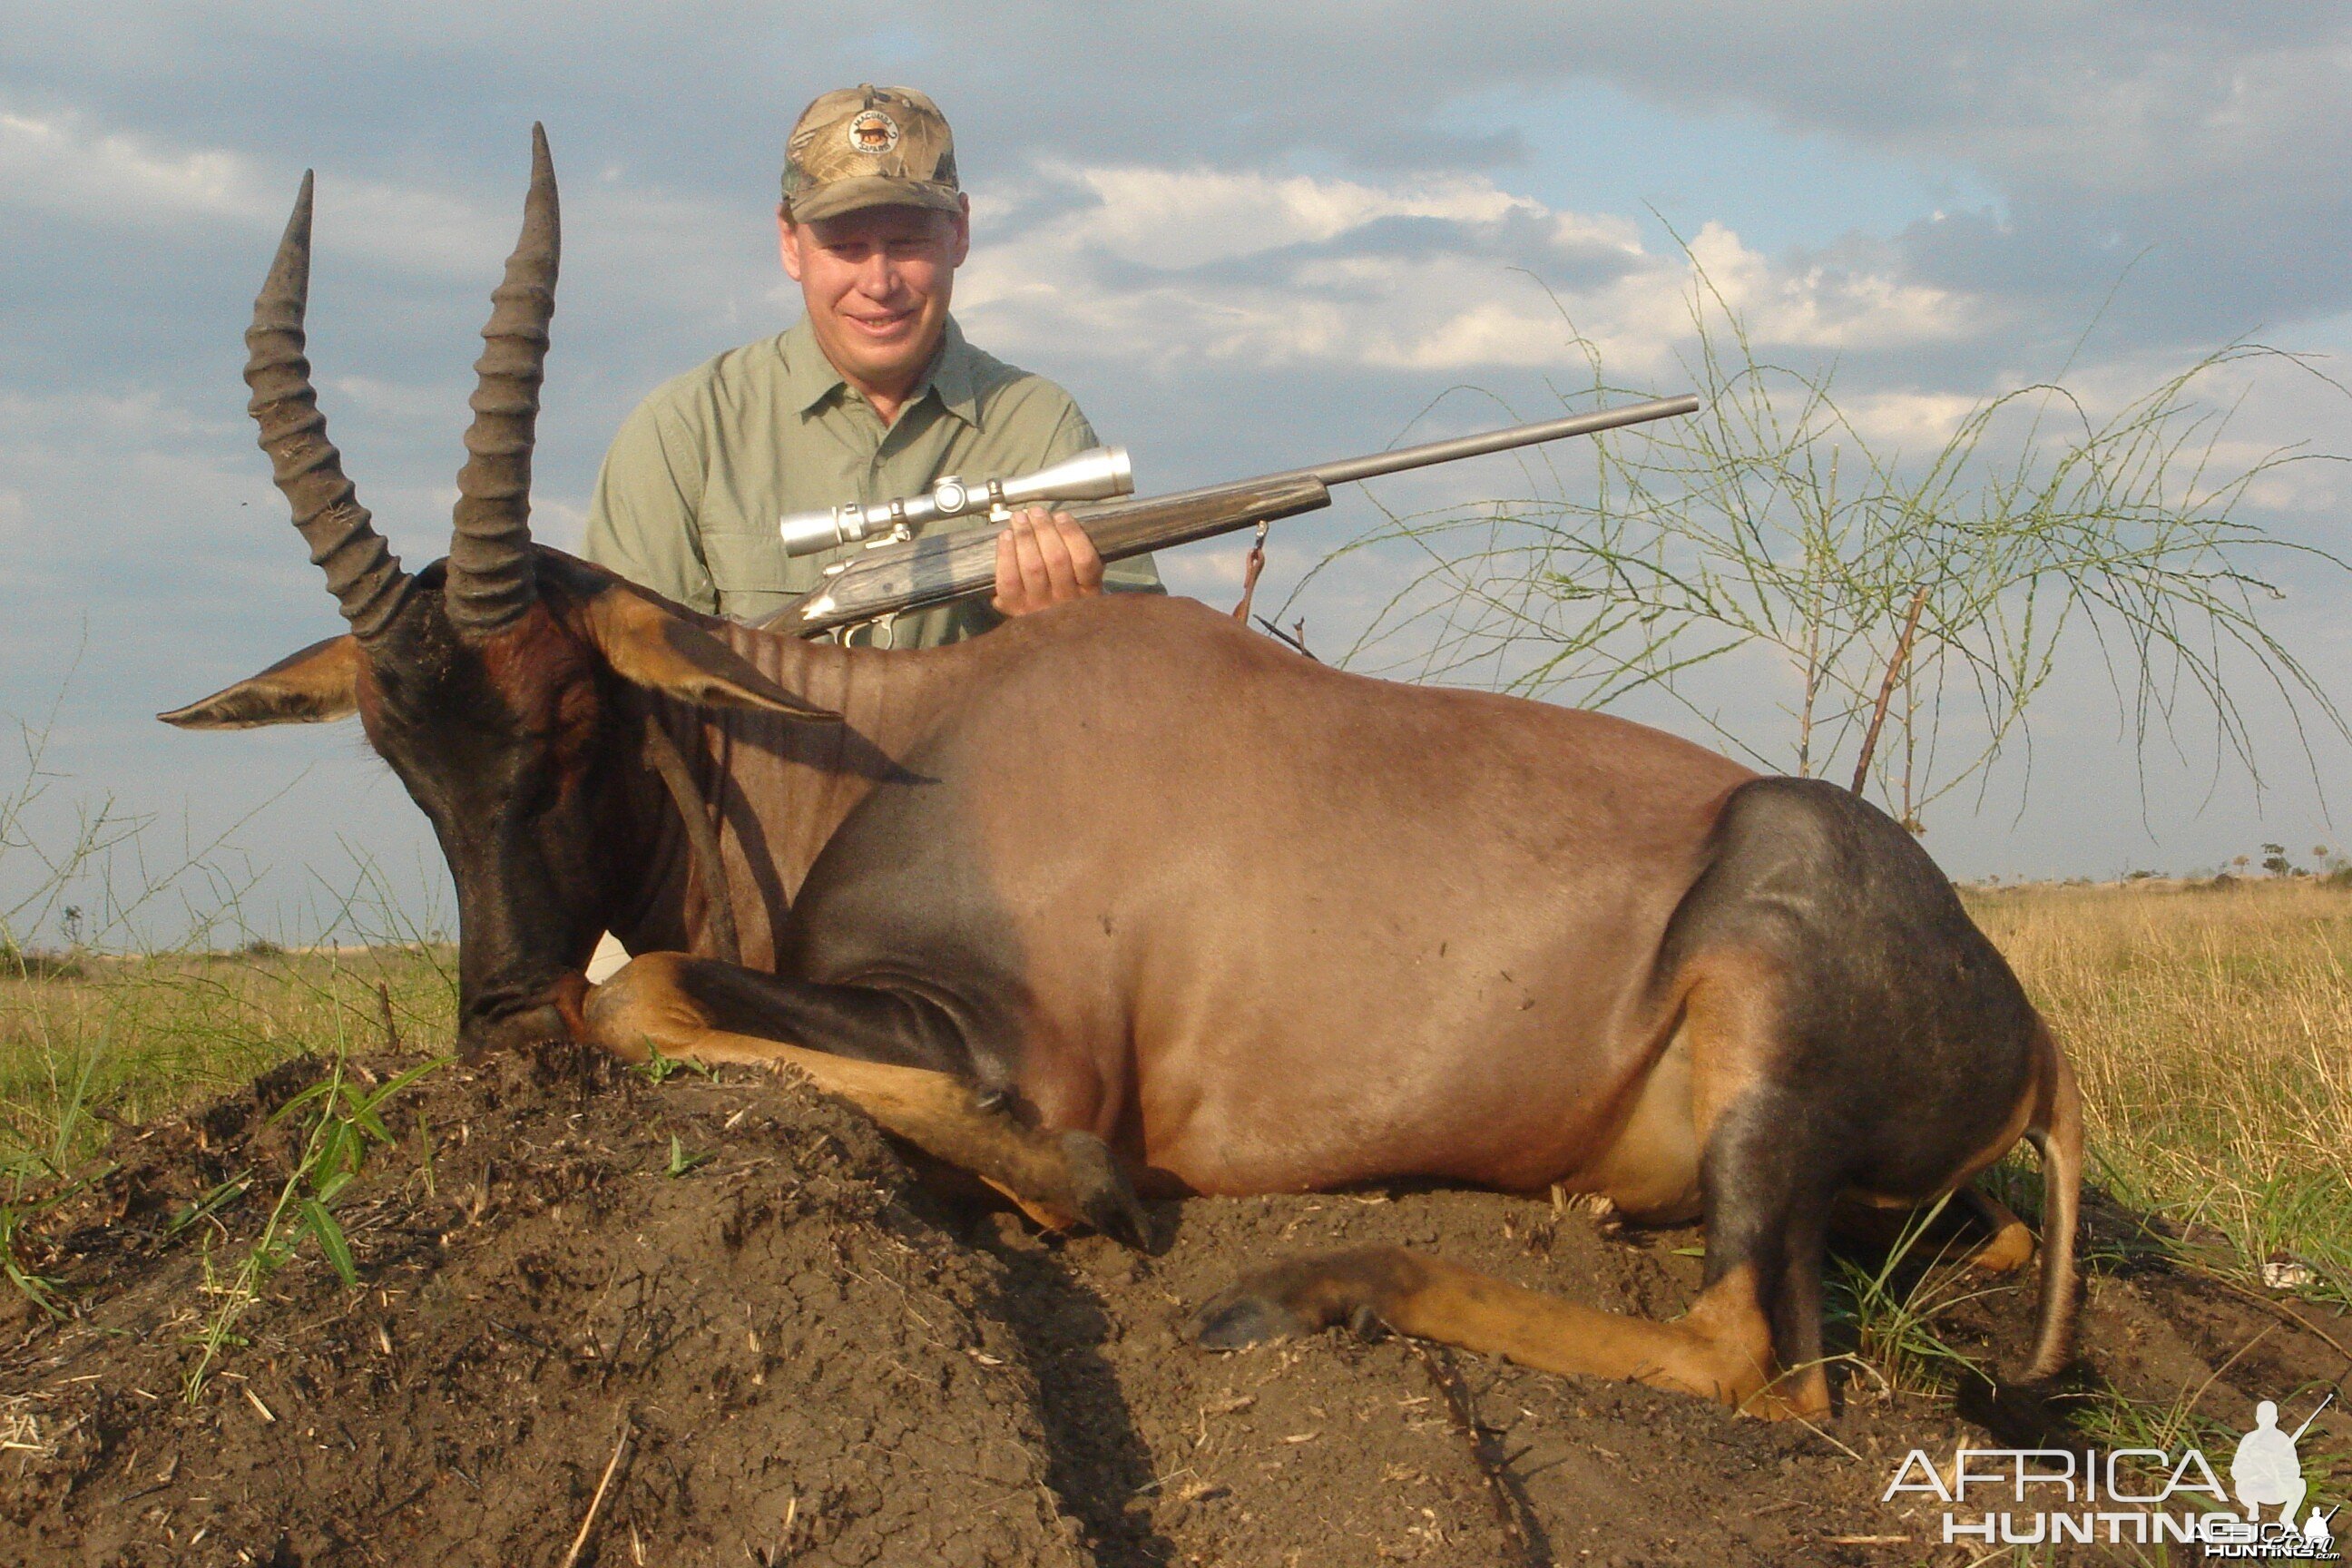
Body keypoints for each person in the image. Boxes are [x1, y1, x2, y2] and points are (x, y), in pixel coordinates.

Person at [583, 83, 1161, 646]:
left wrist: (1073, 632)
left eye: (907, 243)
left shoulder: (1041, 428)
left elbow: (1147, 675)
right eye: (846, 247)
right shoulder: (683, 433)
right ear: (790, 242)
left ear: (959, 233)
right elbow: (626, 689)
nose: (879, 283)